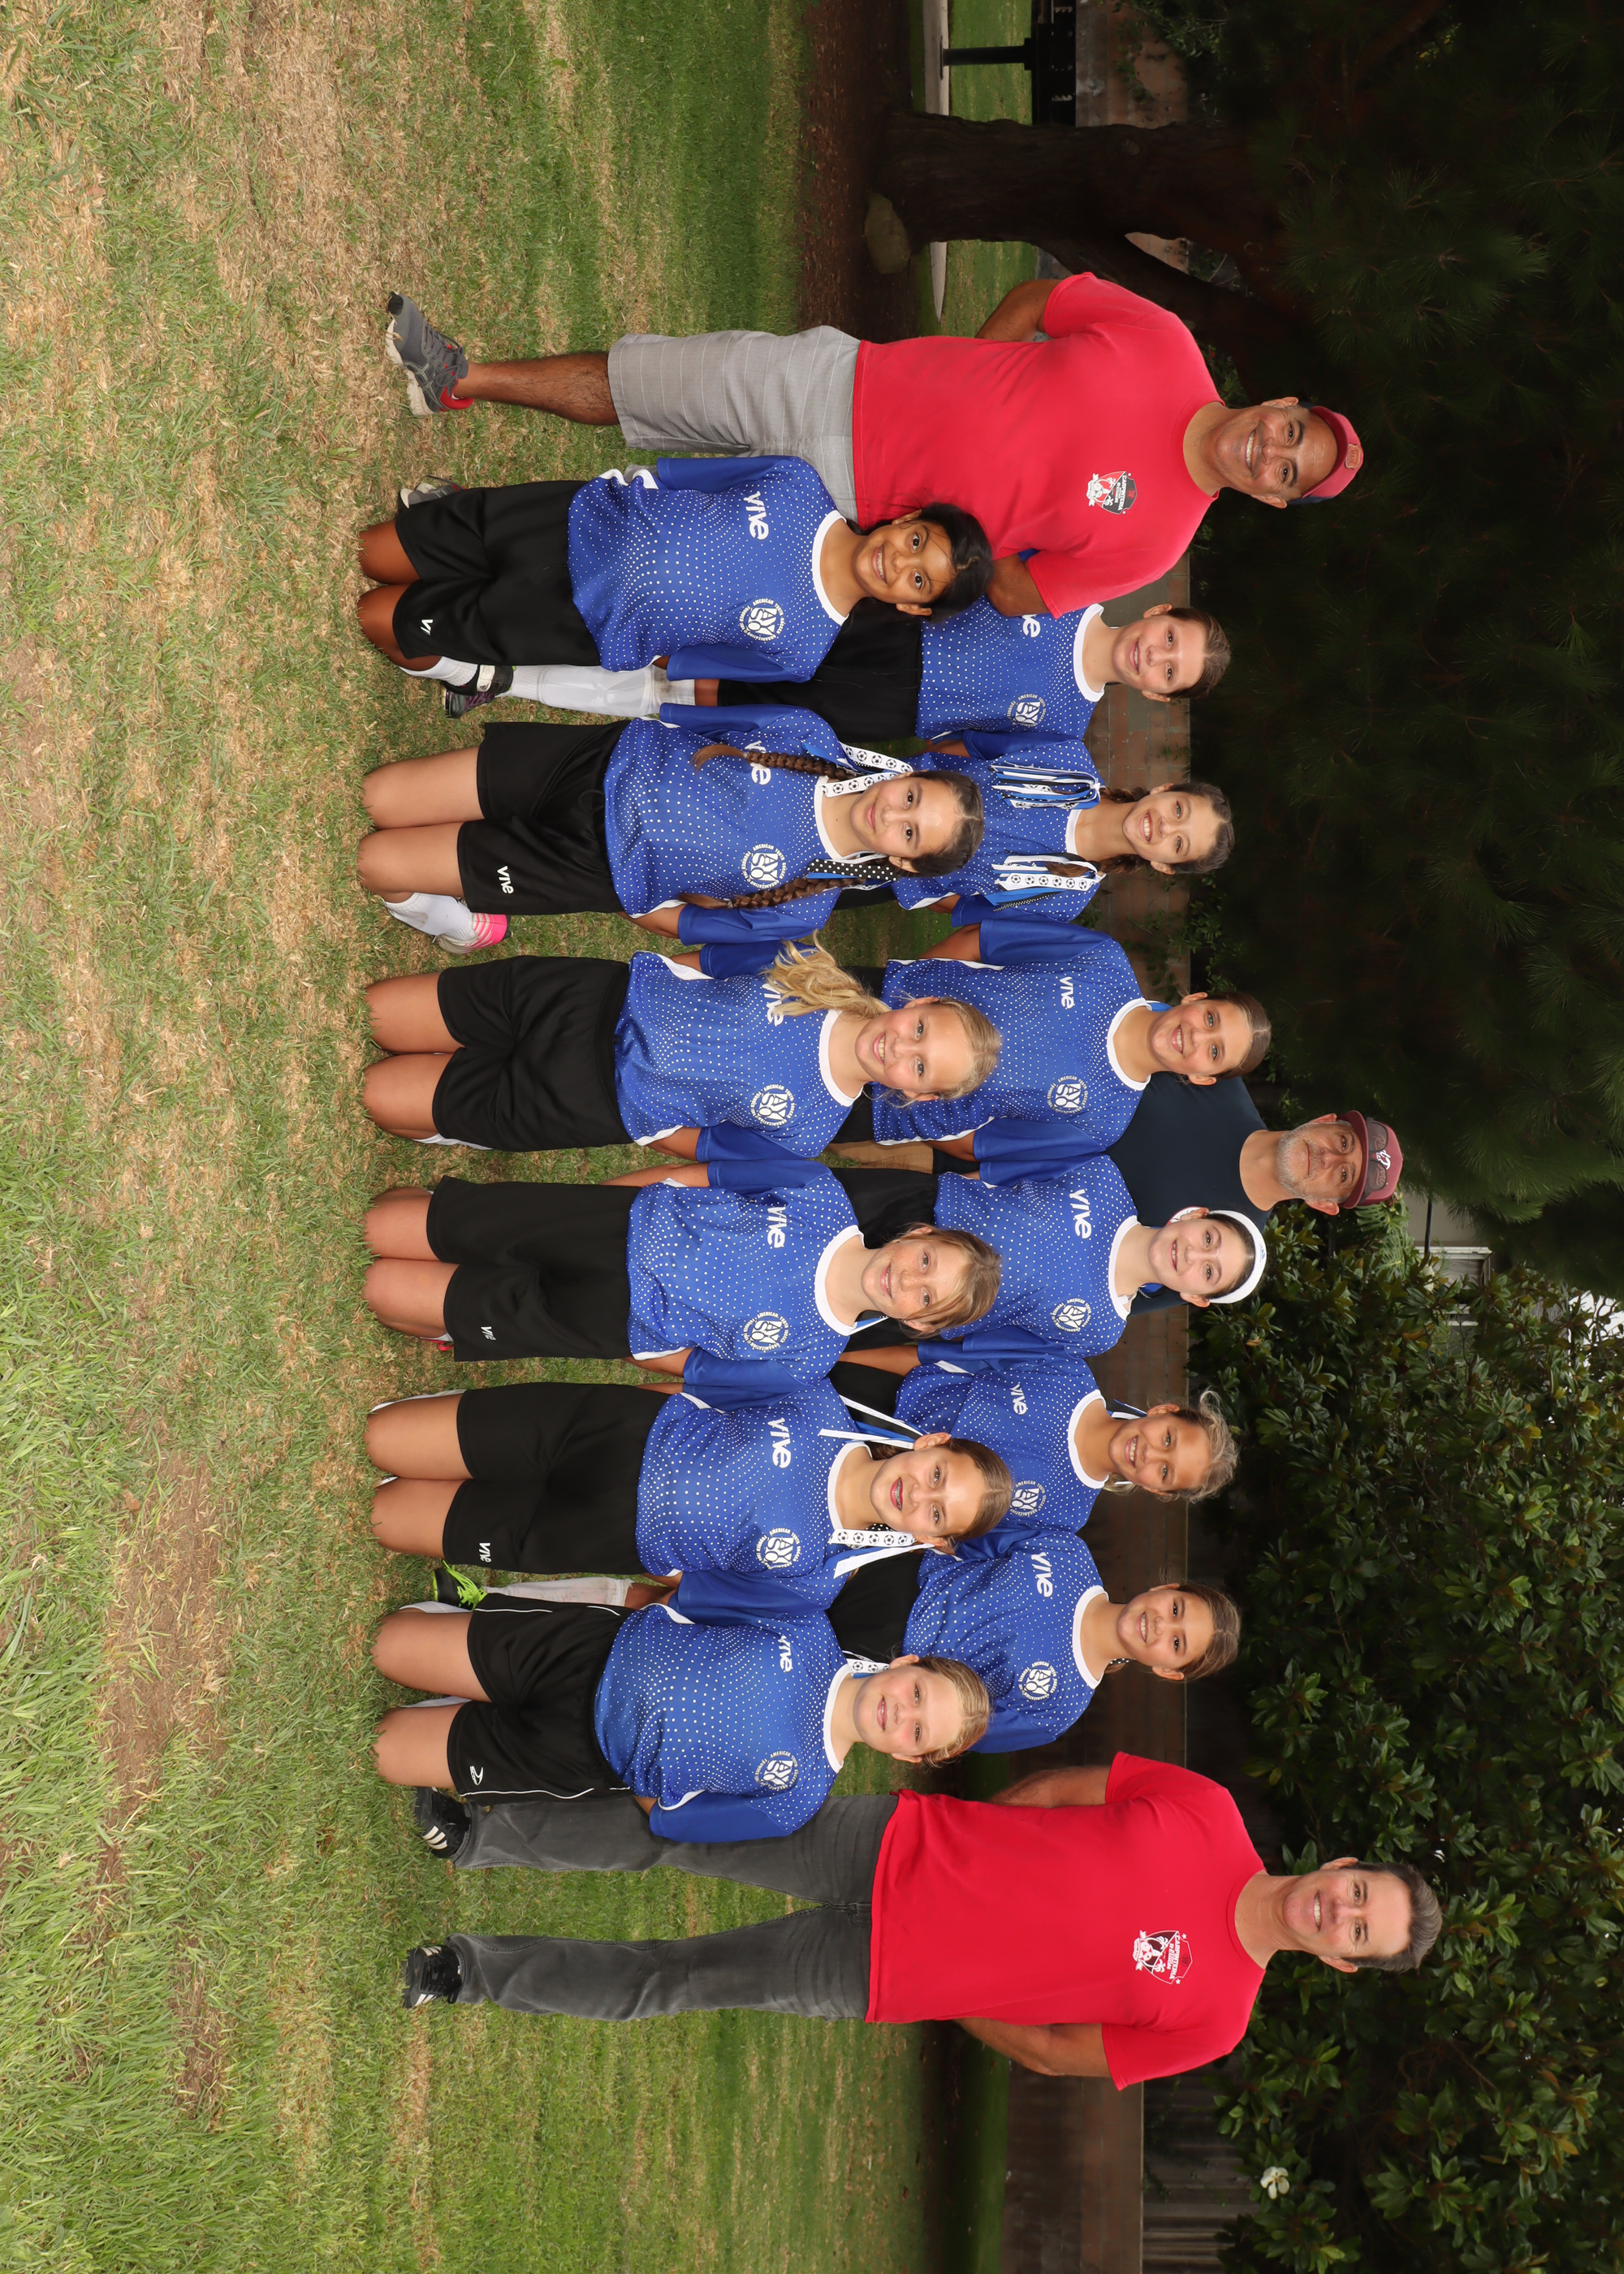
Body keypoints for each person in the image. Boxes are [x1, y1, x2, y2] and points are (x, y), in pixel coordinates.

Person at [396, 1755, 1440, 2091]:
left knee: (671, 1980)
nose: (1338, 1912)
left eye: (1357, 1932)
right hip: (890, 1842)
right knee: (675, 1833)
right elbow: (1056, 1794)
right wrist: (960, 1837)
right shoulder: (1205, 1807)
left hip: (877, 1973)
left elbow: (1051, 2049)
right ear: (1340, 1867)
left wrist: (952, 1991)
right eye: (1358, 1894)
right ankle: (474, 1833)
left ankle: (462, 1972)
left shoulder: (1214, 2021)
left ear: (1340, 1963)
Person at [381, 282, 1364, 617]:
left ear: (1272, 498)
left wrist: (951, 535)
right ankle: (460, 378)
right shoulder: (1163, 344)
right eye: (1290, 431)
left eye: (1286, 471)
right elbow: (1044, 301)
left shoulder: (1155, 542)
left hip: (849, 516)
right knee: (652, 383)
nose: (1268, 451)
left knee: (651, 535)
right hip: (847, 380)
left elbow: (1020, 592)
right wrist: (973, 369)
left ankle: (455, 527)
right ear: (1279, 403)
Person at [371, 1575, 989, 1837]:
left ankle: (461, 1709)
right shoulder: (807, 1625)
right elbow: (695, 1598)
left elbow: (675, 1821)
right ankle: (461, 1653)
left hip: (578, 1756)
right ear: (907, 1664)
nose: (901, 1715)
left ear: (910, 1758)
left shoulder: (797, 1799)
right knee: (389, 1645)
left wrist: (636, 1759)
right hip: (583, 1652)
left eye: (917, 1732)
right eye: (917, 1694)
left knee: (384, 1749)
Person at [356, 460, 990, 714]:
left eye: (918, 580)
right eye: (916, 541)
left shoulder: (802, 650)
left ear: (912, 606)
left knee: (377, 616)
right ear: (908, 519)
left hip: (573, 621)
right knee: (374, 551)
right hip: (566, 521)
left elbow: (681, 660)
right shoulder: (798, 483)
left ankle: (463, 667)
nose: (898, 561)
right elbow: (678, 478)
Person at [356, 711, 983, 953]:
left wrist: (613, 889)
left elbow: (688, 925)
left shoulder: (806, 904)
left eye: (909, 834)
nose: (891, 815)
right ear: (909, 774)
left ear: (904, 865)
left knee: (376, 862)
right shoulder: (809, 734)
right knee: (379, 796)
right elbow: (692, 721)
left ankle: (461, 923)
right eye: (910, 798)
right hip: (591, 765)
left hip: (587, 864)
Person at [360, 1159, 1001, 1389]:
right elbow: (700, 1176)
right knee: (382, 1226)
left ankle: (451, 1317)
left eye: (926, 1297)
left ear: (918, 1324)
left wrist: (628, 1345)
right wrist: (598, 1201)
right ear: (919, 1234)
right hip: (611, 1226)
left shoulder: (811, 1357)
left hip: (608, 1320)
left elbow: (695, 1366)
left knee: (383, 1293)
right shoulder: (819, 1193)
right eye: (925, 1262)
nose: (907, 1281)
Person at [365, 1377, 1014, 1597]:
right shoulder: (818, 1402)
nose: (918, 1496)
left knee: (383, 1516)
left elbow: (701, 1592)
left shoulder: (818, 1577)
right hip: (606, 1433)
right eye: (938, 1475)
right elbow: (700, 1384)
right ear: (931, 1442)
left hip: (600, 1533)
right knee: (382, 1439)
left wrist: (664, 1561)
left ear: (932, 1542)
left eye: (937, 1514)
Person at [599, 1533, 1240, 1754]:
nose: (1161, 1625)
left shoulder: (1059, 1708)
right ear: (1167, 1587)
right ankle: (585, 1600)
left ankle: (603, 1646)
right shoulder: (1066, 1552)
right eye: (1176, 1609)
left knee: (717, 1646)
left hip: (881, 1662)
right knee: (704, 1584)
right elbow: (966, 1537)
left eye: (1177, 1644)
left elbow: (952, 1731)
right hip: (883, 1575)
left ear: (1168, 1672)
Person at [361, 944, 1000, 1161]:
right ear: (917, 1003)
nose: (900, 1048)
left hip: (590, 1100)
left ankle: (455, 1119)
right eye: (921, 1029)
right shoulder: (815, 970)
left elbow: (711, 1144)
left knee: (379, 1096)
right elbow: (711, 962)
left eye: (920, 1067)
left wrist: (643, 1114)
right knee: (381, 1014)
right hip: (586, 1000)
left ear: (914, 1095)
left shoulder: (811, 1127)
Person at [499, 594, 1231, 749]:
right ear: (1159, 611)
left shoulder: (1066, 726)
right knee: (698, 636)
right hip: (882, 630)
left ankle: (511, 680)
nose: (1156, 655)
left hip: (879, 711)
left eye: (1170, 671)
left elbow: (963, 751)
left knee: (685, 700)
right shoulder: (1070, 594)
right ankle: (516, 634)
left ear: (1157, 694)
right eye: (1170, 638)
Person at [799, 916, 1268, 1156]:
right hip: (881, 1011)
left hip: (881, 1106)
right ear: (1196, 998)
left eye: (1215, 1052)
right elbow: (982, 940)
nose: (1196, 1036)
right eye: (1210, 1018)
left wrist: (913, 1108)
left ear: (1203, 1078)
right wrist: (912, 995)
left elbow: (976, 1145)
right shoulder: (1103, 961)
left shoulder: (1103, 1124)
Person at [831, 1359, 1236, 1532]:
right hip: (872, 1399)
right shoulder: (1067, 1371)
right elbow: (934, 1356)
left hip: (873, 1502)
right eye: (1168, 1439)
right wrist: (842, 1360)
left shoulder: (1065, 1516)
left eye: (1165, 1471)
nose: (1151, 1454)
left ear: (1156, 1490)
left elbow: (949, 1539)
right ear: (1163, 1411)